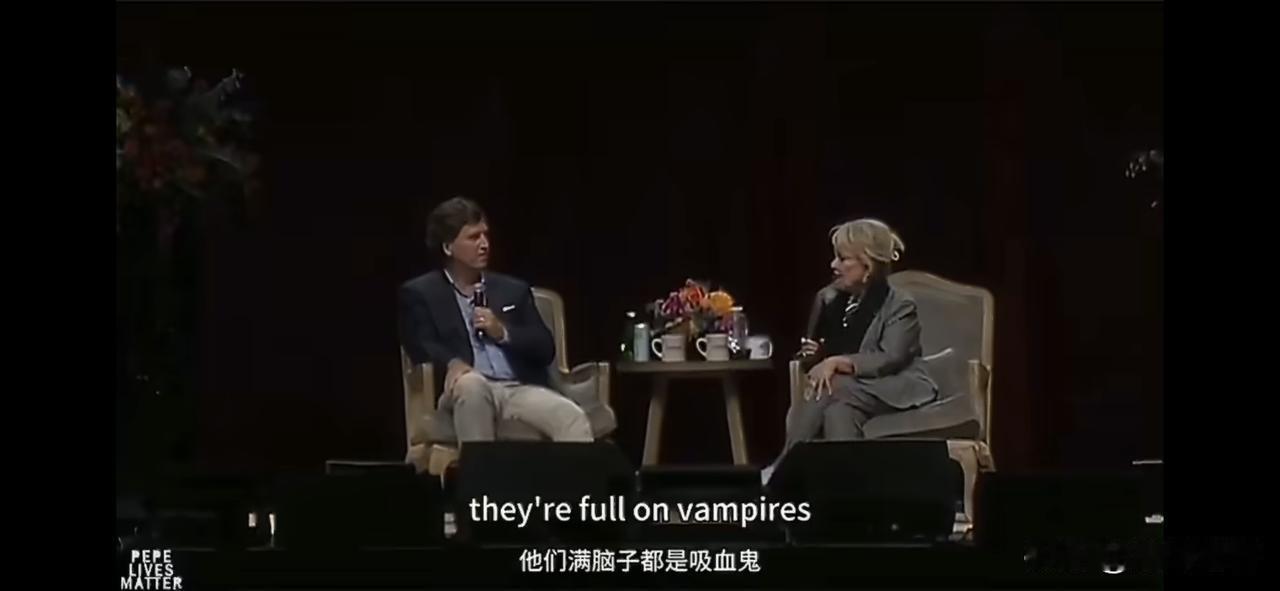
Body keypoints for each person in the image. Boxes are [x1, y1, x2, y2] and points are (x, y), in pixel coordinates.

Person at [397, 196, 593, 443]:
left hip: (517, 388)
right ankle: (480, 470)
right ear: (448, 247)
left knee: (571, 417)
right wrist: (452, 363)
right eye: (473, 237)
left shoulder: (513, 290)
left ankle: (573, 471)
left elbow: (544, 347)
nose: (484, 244)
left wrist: (503, 332)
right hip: (464, 386)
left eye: (485, 235)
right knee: (471, 385)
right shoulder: (422, 293)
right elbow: (419, 342)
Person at [763, 218, 939, 482]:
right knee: (838, 412)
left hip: (895, 384)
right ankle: (847, 487)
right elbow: (834, 349)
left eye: (843, 259)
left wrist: (838, 362)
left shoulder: (900, 304)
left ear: (868, 265)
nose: (833, 265)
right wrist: (819, 355)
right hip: (852, 390)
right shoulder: (833, 299)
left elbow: (891, 357)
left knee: (832, 385)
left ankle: (784, 469)